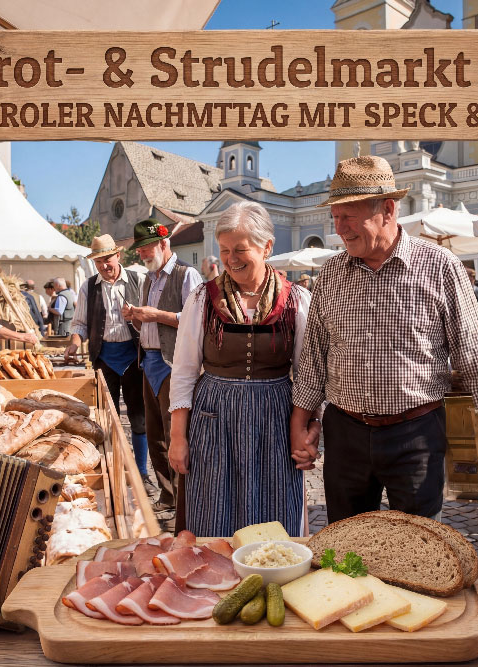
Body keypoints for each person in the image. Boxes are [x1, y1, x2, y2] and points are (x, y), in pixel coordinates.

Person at [290, 156, 478, 522]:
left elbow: (473, 354)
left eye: (348, 216)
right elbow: (312, 360)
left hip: (416, 434)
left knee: (418, 546)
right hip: (345, 433)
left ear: (387, 209)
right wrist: (300, 425)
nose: (339, 229)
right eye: (335, 217)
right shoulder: (330, 275)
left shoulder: (440, 266)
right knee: (345, 544)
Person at [169, 201, 311, 536]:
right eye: (225, 250)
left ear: (267, 248)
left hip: (275, 416)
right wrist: (178, 437)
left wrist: (307, 429)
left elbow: (307, 375)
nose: (231, 259)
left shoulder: (296, 300)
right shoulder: (204, 298)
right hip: (214, 417)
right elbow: (185, 370)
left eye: (241, 250)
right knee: (213, 507)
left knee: (276, 507)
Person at [121, 219, 202, 524]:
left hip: (174, 364)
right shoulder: (147, 280)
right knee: (155, 435)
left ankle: (184, 504)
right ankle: (167, 496)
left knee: (175, 435)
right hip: (149, 361)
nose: (142, 254)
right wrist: (135, 318)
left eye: (146, 248)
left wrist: (156, 315)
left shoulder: (187, 274)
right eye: (139, 249)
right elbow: (147, 324)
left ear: (164, 244)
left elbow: (196, 318)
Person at [65, 235, 153, 497]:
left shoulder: (139, 280)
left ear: (118, 256)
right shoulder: (88, 287)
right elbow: (79, 324)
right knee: (107, 421)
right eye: (99, 261)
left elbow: (151, 319)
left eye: (108, 259)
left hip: (134, 358)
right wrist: (73, 342)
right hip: (104, 359)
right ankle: (114, 472)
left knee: (139, 418)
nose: (104, 265)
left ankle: (141, 473)